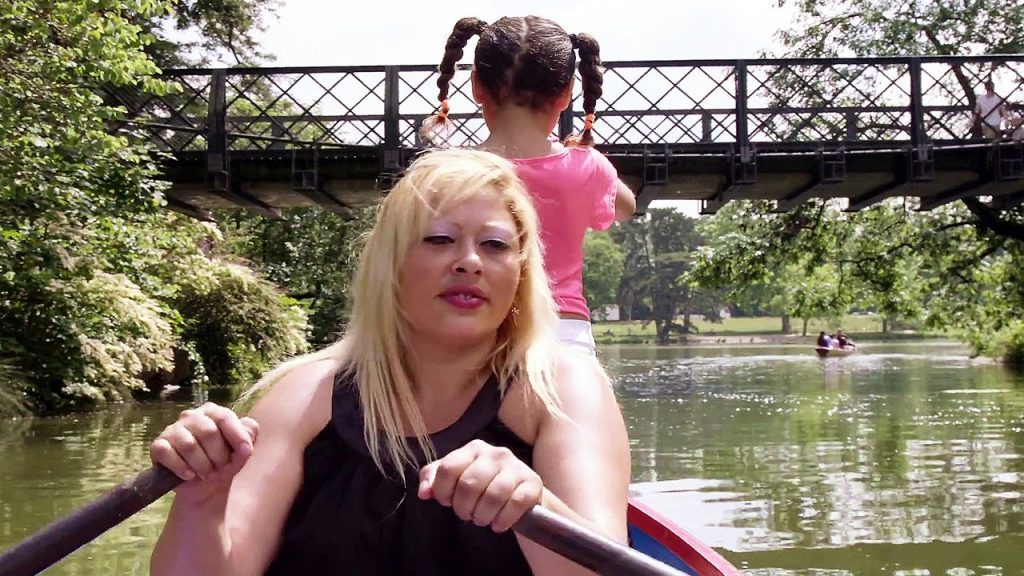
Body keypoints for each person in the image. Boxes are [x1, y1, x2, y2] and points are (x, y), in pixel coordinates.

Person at [148, 149, 631, 576]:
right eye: (439, 239)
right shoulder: (305, 395)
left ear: (521, 273)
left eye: (495, 245)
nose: (469, 262)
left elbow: (607, 569)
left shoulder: (563, 387)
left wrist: (534, 504)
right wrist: (203, 501)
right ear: (390, 265)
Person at [422, 16, 637, 355]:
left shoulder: (446, 174)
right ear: (566, 94)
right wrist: (587, 156)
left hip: (476, 328)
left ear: (477, 85)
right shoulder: (586, 167)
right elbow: (626, 207)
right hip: (564, 331)